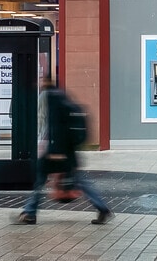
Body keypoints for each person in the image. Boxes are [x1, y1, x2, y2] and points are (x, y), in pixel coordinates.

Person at [19, 71, 109, 225]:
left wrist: (55, 151)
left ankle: (30, 213)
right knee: (79, 180)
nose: (37, 83)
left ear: (44, 81)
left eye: (40, 80)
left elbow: (56, 126)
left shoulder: (50, 97)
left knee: (40, 179)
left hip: (58, 151)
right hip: (66, 150)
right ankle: (101, 207)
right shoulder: (61, 95)